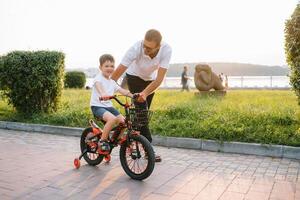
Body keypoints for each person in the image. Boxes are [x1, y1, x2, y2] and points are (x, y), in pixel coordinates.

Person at [111, 29, 172, 162]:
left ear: (158, 46)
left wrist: (145, 93)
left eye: (149, 48)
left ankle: (133, 138)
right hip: (134, 77)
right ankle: (148, 149)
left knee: (141, 117)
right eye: (144, 45)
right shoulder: (136, 48)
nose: (145, 49)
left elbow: (159, 79)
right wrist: (105, 87)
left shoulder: (166, 50)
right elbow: (118, 71)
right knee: (141, 113)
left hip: (152, 81)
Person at [90, 54, 133, 154]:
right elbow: (98, 86)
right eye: (107, 66)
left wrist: (134, 95)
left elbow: (122, 91)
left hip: (108, 106)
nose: (110, 68)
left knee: (125, 122)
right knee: (112, 119)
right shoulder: (98, 78)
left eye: (112, 66)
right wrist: (103, 94)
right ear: (100, 67)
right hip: (97, 106)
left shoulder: (112, 82)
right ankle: (103, 141)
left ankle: (116, 139)